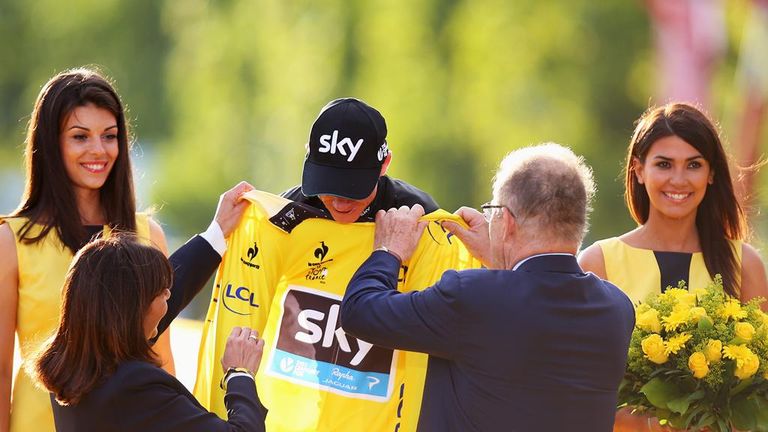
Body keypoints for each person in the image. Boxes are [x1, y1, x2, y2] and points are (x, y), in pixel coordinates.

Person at [193, 97, 480, 431]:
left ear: (384, 164)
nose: (340, 202)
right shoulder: (290, 211)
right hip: (303, 396)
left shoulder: (418, 216)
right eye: (329, 186)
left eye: (352, 188)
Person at [0, 67, 249, 432]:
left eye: (110, 136)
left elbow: (159, 359)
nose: (98, 150)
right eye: (80, 137)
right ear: (52, 144)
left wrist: (218, 230)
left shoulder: (148, 235)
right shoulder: (12, 242)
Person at [340, 143, 636, 432]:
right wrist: (499, 260)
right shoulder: (617, 309)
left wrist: (388, 251)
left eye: (492, 210)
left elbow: (360, 312)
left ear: (506, 221)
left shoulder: (471, 295)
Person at [578, 102, 768, 431]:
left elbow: (760, 390)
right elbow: (577, 386)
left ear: (711, 174)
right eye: (664, 164)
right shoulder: (598, 263)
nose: (678, 180)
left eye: (693, 165)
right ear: (638, 169)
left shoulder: (744, 263)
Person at [30, 234, 267, 431]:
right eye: (162, 292)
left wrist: (216, 234)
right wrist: (239, 374)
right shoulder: (135, 386)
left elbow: (161, 301)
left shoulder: (72, 362)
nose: (169, 296)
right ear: (134, 307)